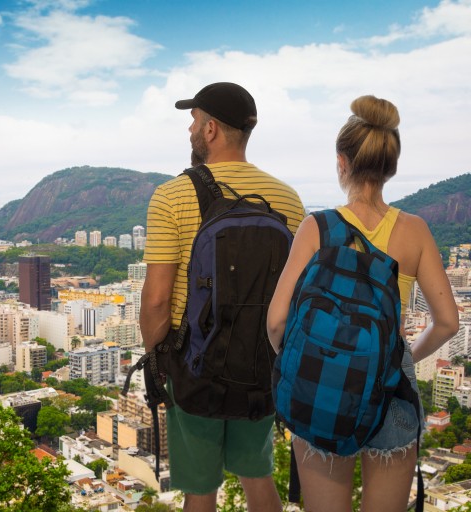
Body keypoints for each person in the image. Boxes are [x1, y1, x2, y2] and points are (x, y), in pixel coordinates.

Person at [267, 95, 460, 512]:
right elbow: (447, 322)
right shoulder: (416, 231)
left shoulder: (316, 227)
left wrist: (306, 359)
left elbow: (276, 321)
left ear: (342, 162)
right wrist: (403, 355)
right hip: (391, 386)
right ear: (390, 168)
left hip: (321, 381)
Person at [141, 82, 305, 511]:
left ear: (211, 129)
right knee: (258, 476)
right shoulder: (288, 199)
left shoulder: (172, 195)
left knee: (200, 490)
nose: (190, 130)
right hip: (261, 362)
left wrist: (155, 356)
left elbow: (157, 299)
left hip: (193, 362)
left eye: (193, 121)